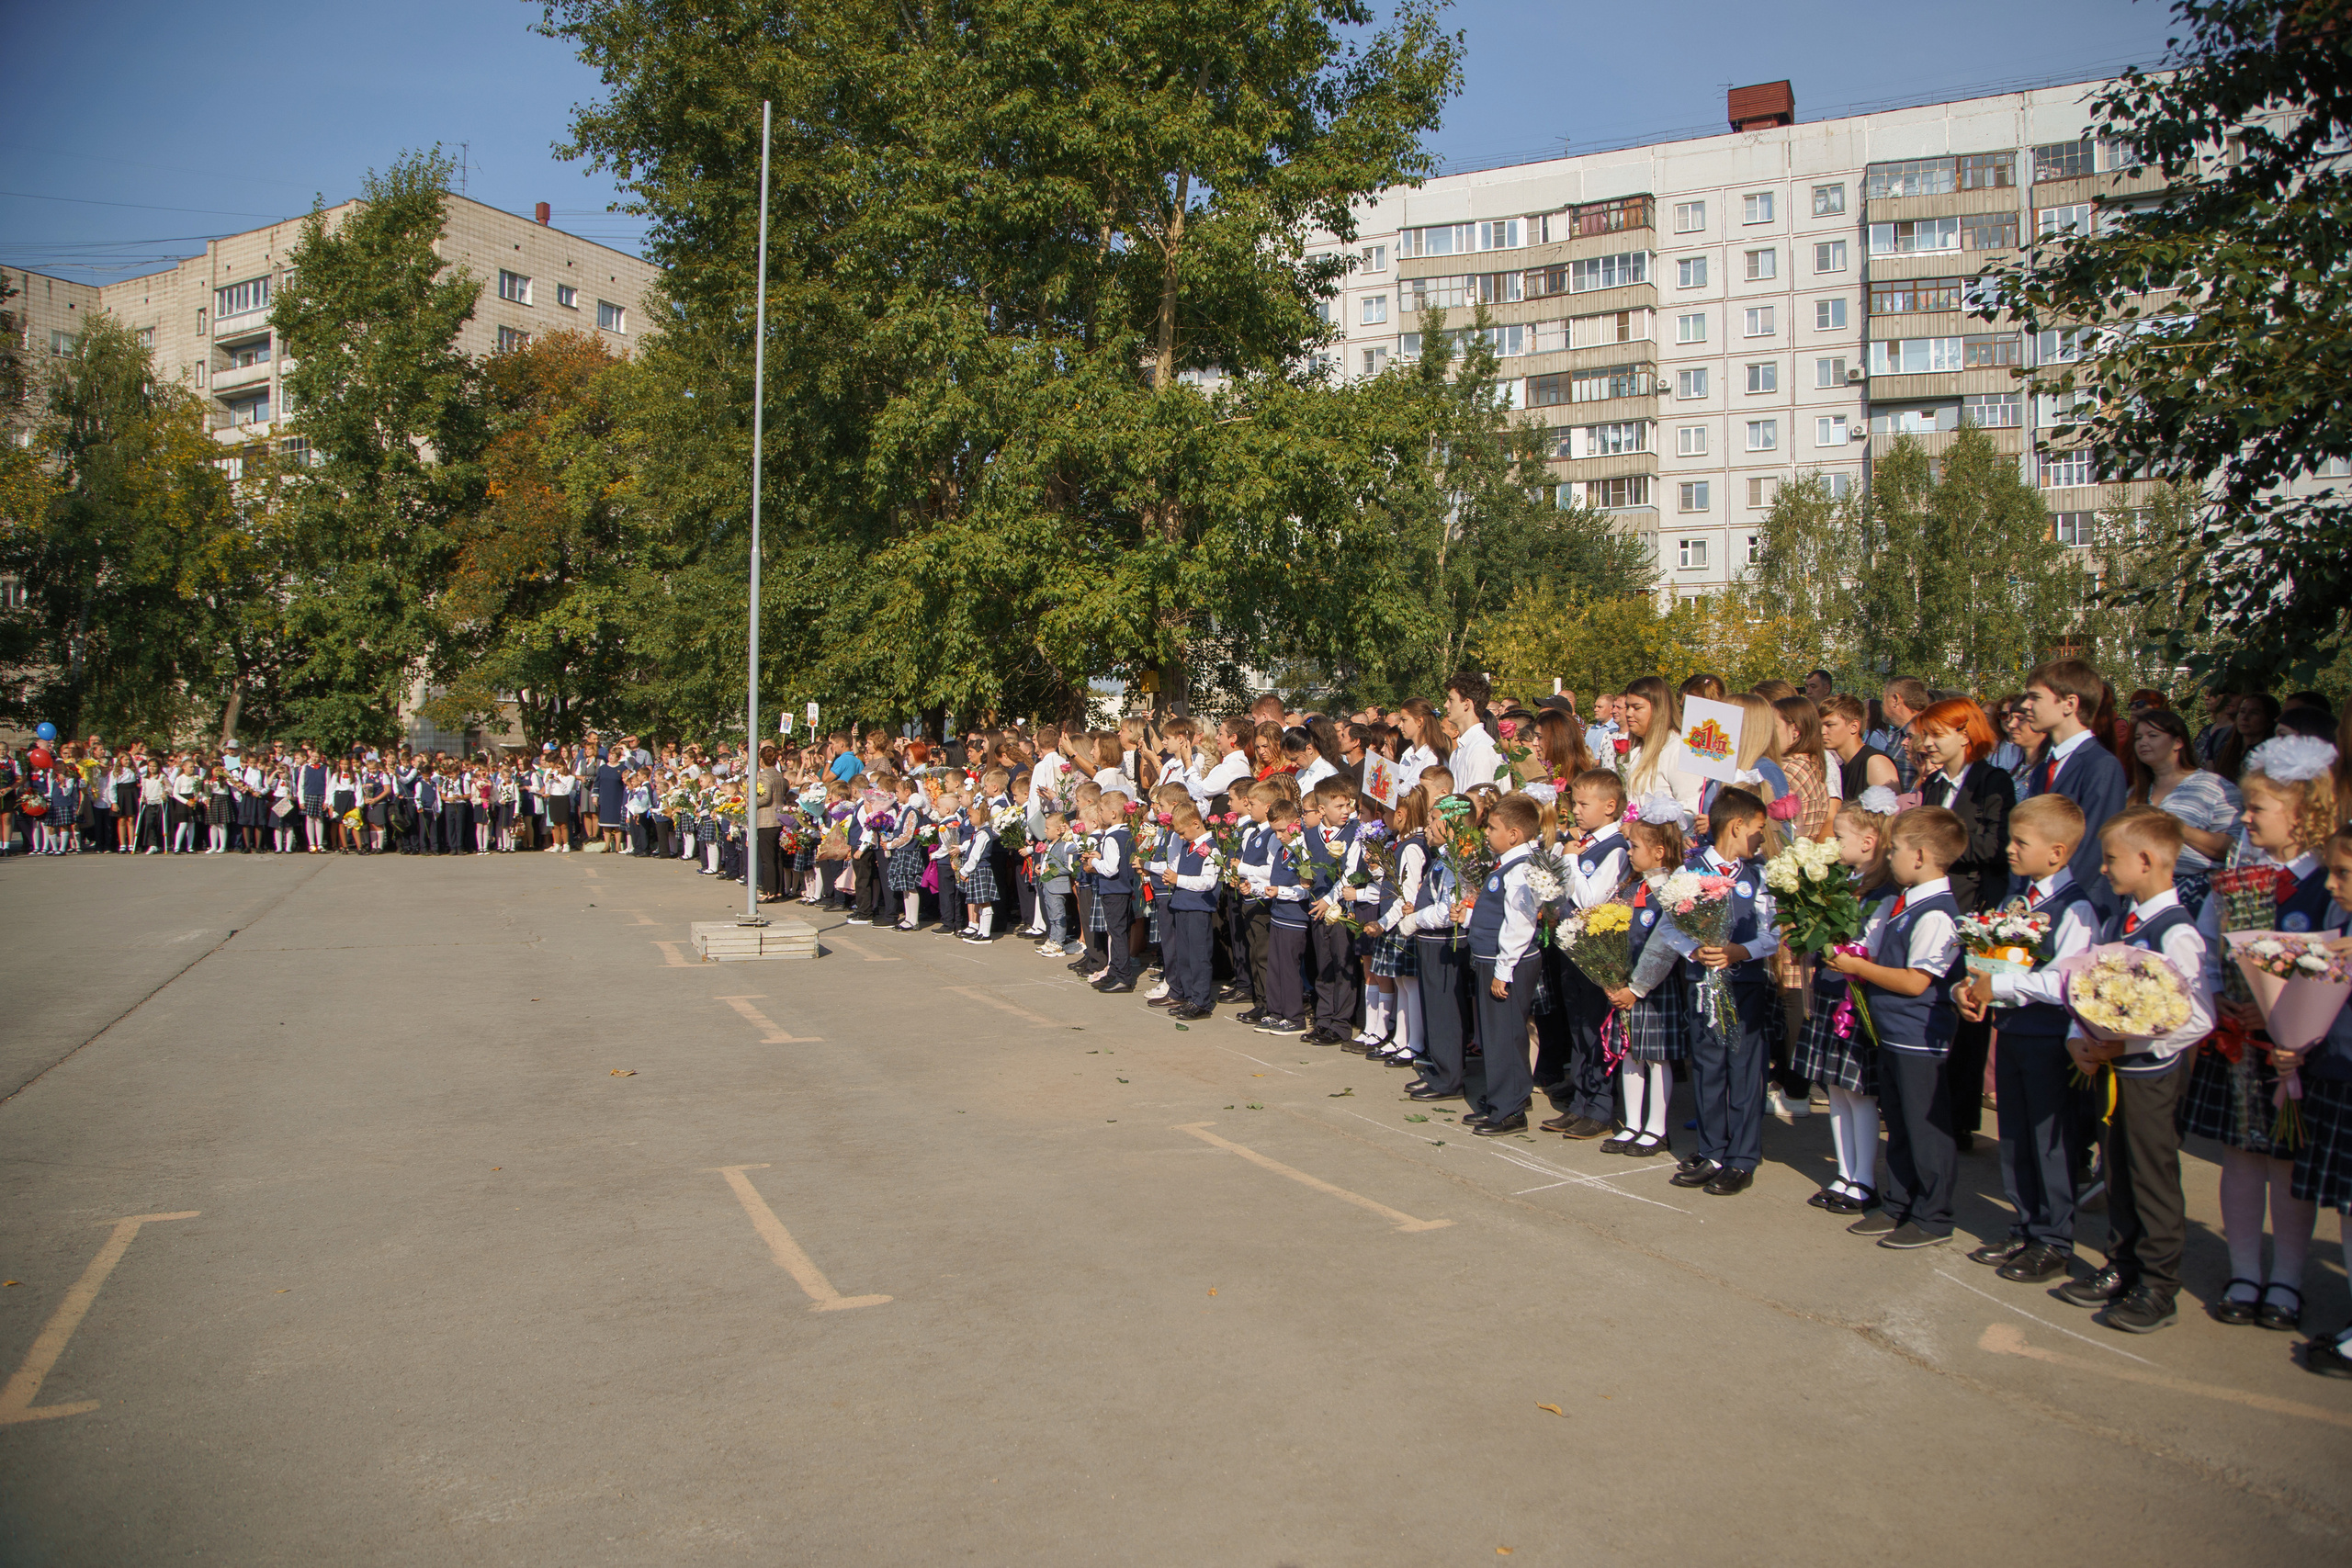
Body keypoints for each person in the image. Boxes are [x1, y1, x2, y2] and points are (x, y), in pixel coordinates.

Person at [2180, 735, 2335, 1333]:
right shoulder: (2237, 879)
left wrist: (2287, 1020)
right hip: (2239, 1040)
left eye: (2256, 809)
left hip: (2299, 1050)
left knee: (2289, 1165)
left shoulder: (2329, 883)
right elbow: (2207, 943)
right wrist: (2221, 998)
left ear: (2301, 813)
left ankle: (2287, 1280)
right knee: (2242, 1157)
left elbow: (2331, 965)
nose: (2243, 819)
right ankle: (2245, 1272)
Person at [2053, 807, 2212, 1334]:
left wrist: (2124, 1045)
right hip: (2114, 1072)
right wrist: (2083, 1037)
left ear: (2146, 861)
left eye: (2111, 860)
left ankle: (2158, 1285)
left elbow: (2196, 1017)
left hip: (2149, 1075)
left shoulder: (2176, 932)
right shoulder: (2126, 919)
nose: (2103, 870)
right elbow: (2092, 988)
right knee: (2116, 1171)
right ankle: (2120, 1265)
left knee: (2152, 1178)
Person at [1962, 793, 2099, 1281]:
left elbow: (2067, 980)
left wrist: (1999, 985)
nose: (2011, 850)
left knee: (2049, 1141)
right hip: (2015, 1030)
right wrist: (1972, 984)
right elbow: (1992, 954)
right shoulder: (2019, 899)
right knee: (2015, 1136)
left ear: (2057, 853)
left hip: (2050, 1038)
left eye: (2021, 842)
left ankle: (2055, 1237)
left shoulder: (2076, 909)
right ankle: (2026, 1224)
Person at [1827, 806, 1967, 1249]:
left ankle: (1933, 1214)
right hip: (1892, 1034)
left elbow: (1915, 980)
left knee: (1925, 1129)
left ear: (1922, 856)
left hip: (1918, 1038)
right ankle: (1899, 1203)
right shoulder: (1905, 903)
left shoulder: (1937, 914)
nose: (1890, 857)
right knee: (1902, 1126)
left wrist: (1859, 968)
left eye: (1898, 849)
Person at [1793, 791, 1901, 1213]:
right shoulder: (1841, 881)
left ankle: (1864, 1179)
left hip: (1854, 999)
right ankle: (1843, 1171)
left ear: (1870, 840)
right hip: (1831, 988)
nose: (1833, 845)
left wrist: (1839, 949)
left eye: (1840, 837)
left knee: (1858, 1093)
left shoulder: (1884, 891)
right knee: (1835, 1087)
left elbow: (1869, 945)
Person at [1670, 787, 1781, 1195]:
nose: (1761, 838)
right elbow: (1669, 929)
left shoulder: (1760, 874)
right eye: (1757, 829)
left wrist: (1741, 951)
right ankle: (1713, 1148)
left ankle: (1742, 1156)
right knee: (1707, 1066)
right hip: (1703, 986)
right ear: (1736, 826)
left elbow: (1773, 933)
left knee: (1746, 1069)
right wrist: (1694, 950)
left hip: (1745, 985)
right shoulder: (1690, 872)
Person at [2290, 826, 2352, 1377]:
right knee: (2348, 1207)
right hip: (2338, 1070)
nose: (2331, 884)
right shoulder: (2342, 925)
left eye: (2344, 874)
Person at [1600, 801, 1693, 1157]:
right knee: (1630, 1053)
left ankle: (1656, 1128)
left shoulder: (1670, 890)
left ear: (1659, 852)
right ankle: (1632, 1124)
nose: (1629, 852)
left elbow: (1665, 945)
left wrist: (1638, 987)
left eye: (1635, 846)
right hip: (1625, 985)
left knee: (1657, 1057)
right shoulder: (1633, 887)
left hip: (1652, 988)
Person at [2018, 659, 2132, 917]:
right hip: (2036, 907)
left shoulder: (2100, 765)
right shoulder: (2043, 768)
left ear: (2069, 704)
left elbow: (2093, 847)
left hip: (2077, 909)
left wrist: (2050, 904)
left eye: (2035, 697)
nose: (2026, 706)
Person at [1462, 792, 1545, 1137]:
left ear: (1513, 834)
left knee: (1506, 1034)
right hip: (1490, 959)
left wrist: (1503, 970)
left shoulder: (1522, 868)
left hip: (1505, 964)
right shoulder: (1506, 862)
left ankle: (1510, 1109)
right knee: (1494, 1035)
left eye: (1492, 827)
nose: (1486, 832)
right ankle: (1501, 1098)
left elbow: (1520, 924)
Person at [2128, 705, 2238, 912]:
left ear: (2178, 742)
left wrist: (2177, 828)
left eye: (2152, 735)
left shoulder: (2213, 787)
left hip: (2197, 896)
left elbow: (2236, 848)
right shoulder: (2134, 793)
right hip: (2140, 897)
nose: (2143, 742)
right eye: (2138, 737)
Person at [1820, 694, 1897, 799]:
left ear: (1854, 726)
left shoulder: (1875, 762)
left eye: (1830, 725)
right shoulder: (1842, 766)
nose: (1822, 732)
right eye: (1820, 726)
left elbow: (1891, 810)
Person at [1442, 673, 1502, 791]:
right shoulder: (1459, 751)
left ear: (1467, 704)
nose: (1446, 705)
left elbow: (1477, 805)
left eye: (1451, 700)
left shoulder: (1481, 749)